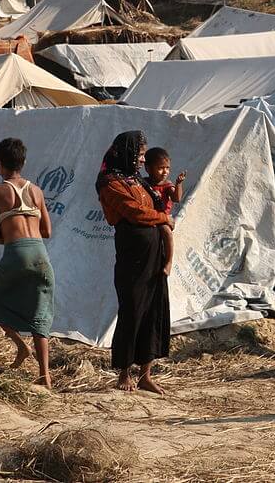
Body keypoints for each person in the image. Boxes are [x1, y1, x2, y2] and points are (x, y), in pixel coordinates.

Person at [97, 131, 172, 394]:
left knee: (153, 309)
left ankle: (146, 374)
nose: (142, 160)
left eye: (143, 155)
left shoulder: (138, 180)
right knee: (132, 308)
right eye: (139, 155)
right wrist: (162, 219)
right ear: (127, 153)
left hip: (154, 254)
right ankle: (124, 372)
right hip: (132, 255)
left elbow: (159, 203)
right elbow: (133, 211)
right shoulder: (110, 182)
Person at [0, 138, 55, 386]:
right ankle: (44, 375)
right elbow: (47, 231)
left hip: (15, 252)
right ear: (23, 162)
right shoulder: (37, 191)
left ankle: (20, 345)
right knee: (41, 314)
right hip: (41, 255)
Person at [144, 147, 185, 277]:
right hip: (148, 216)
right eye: (160, 168)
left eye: (167, 168)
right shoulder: (144, 183)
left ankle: (168, 262)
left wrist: (178, 184)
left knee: (166, 232)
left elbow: (176, 198)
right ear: (148, 169)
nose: (164, 172)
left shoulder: (167, 185)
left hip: (162, 217)